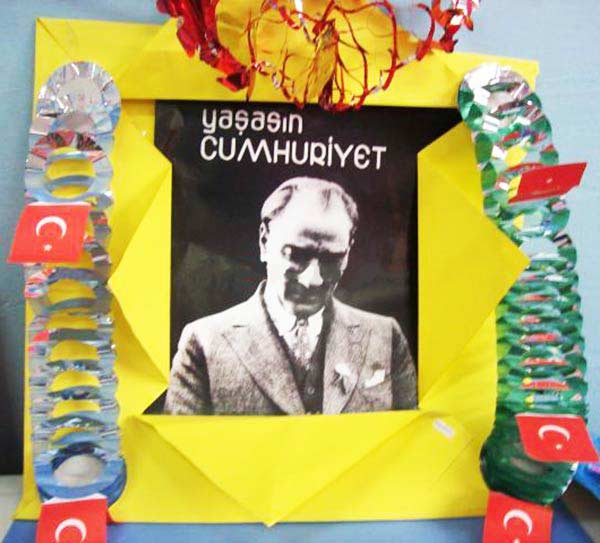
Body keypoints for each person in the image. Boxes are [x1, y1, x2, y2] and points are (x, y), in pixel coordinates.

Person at [164, 177, 417, 415]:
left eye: (332, 258)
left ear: (349, 251)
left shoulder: (386, 337)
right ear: (264, 241)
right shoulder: (204, 342)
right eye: (296, 255)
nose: (312, 280)